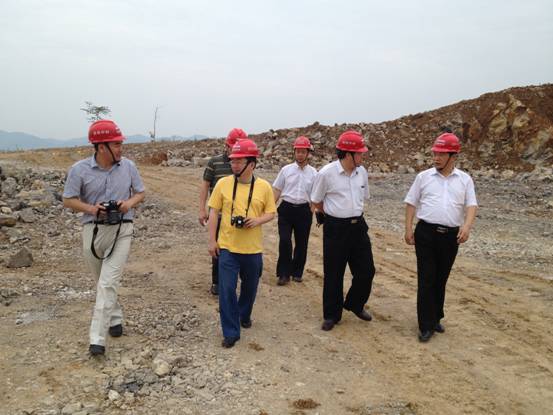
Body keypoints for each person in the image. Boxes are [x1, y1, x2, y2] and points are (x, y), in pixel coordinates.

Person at [63, 120, 145, 356]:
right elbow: (68, 199)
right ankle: (115, 317)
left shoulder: (128, 166)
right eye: (116, 144)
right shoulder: (79, 170)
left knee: (108, 282)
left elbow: (140, 192)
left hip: (122, 229)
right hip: (93, 230)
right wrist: (92, 209)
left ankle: (97, 339)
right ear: (101, 147)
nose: (121, 148)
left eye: (120, 144)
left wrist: (127, 204)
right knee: (102, 280)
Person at [404, 132, 478, 342]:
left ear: (453, 156)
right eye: (435, 153)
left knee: (441, 278)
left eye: (441, 154)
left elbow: (471, 205)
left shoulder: (464, 180)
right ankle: (425, 325)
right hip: (426, 233)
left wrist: (467, 226)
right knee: (426, 279)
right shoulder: (423, 177)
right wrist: (408, 228)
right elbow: (411, 203)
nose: (436, 158)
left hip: (450, 237)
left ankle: (436, 317)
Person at [207, 138, 276, 348]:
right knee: (227, 290)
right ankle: (230, 332)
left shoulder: (264, 187)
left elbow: (271, 212)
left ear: (251, 164)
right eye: (232, 160)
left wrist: (257, 220)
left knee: (250, 288)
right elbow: (214, 212)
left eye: (238, 161)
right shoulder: (222, 184)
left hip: (253, 250)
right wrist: (212, 241)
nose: (234, 165)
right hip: (228, 248)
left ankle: (244, 314)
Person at [310, 131, 376, 331]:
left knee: (367, 271)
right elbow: (316, 201)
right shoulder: (326, 173)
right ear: (348, 154)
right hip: (336, 228)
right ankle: (332, 315)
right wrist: (331, 216)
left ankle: (355, 303)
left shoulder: (361, 172)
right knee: (334, 273)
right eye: (359, 153)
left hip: (358, 227)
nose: (362, 156)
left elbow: (364, 196)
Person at [199, 128, 247, 295]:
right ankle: (217, 282)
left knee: (238, 250)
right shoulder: (214, 162)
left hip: (238, 216)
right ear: (227, 145)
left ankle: (234, 281)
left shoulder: (245, 164)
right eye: (233, 146)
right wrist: (202, 209)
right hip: (218, 215)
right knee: (218, 249)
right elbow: (205, 186)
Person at [273, 136, 317, 286]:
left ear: (308, 153)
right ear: (294, 152)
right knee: (285, 241)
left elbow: (316, 194)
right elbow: (277, 189)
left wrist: (312, 210)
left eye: (303, 152)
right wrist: (270, 207)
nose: (300, 155)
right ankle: (283, 274)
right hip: (286, 209)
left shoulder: (314, 173)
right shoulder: (286, 170)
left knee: (302, 243)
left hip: (304, 211)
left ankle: (297, 272)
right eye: (297, 151)